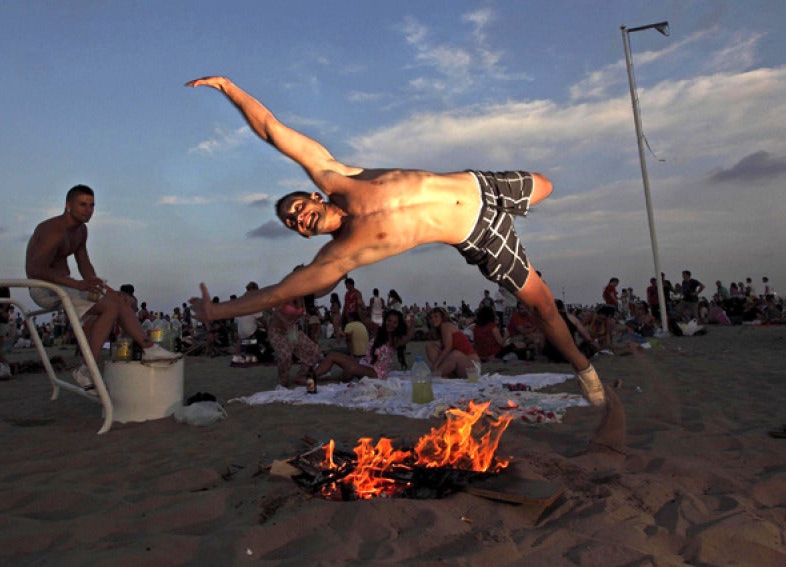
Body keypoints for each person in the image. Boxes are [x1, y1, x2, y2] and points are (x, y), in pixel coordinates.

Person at [185, 75, 614, 424]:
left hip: (482, 185)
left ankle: (523, 217)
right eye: (292, 223)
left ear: (314, 197)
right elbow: (278, 293)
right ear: (303, 235)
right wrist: (219, 312)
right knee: (542, 308)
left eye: (297, 207)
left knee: (549, 185)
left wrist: (228, 87)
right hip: (479, 236)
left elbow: (272, 131)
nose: (298, 217)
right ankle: (583, 368)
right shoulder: (338, 257)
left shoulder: (338, 176)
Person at [26, 184, 153, 392]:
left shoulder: (81, 231)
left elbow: (85, 266)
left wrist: (108, 290)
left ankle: (148, 347)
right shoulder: (53, 230)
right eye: (83, 205)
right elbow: (35, 269)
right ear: (68, 205)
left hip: (64, 284)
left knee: (118, 302)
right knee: (109, 308)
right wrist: (77, 284)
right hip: (44, 288)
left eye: (92, 205)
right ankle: (87, 369)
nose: (88, 210)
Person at [314, 309, 411, 382]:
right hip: (364, 363)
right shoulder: (379, 331)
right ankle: (311, 376)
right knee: (332, 355)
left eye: (395, 322)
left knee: (350, 370)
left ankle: (329, 378)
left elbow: (408, 336)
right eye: (389, 320)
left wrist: (413, 325)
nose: (391, 324)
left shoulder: (395, 340)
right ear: (385, 320)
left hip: (376, 373)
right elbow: (365, 320)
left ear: (398, 325)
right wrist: (360, 306)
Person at [425, 307, 480, 378]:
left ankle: (436, 374)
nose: (433, 319)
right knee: (430, 347)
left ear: (442, 317)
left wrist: (436, 365)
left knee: (455, 354)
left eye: (436, 316)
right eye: (431, 317)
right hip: (457, 367)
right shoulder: (441, 330)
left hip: (472, 367)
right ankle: (443, 374)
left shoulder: (446, 325)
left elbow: (448, 347)